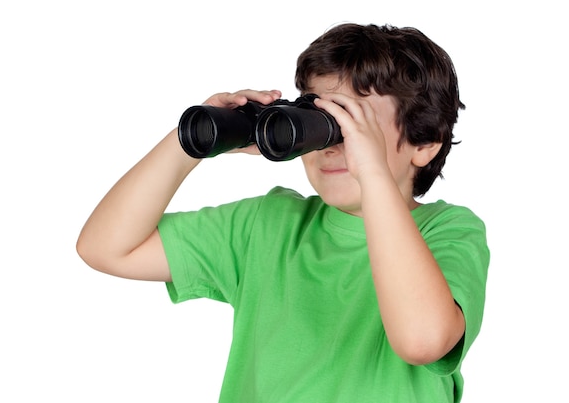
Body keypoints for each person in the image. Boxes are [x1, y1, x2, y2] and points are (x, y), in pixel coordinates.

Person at [76, 23, 490, 402]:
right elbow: (106, 247)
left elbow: (421, 340)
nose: (331, 145)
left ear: (425, 142)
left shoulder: (449, 232)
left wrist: (372, 173)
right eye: (320, 120)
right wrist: (190, 145)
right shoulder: (270, 225)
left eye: (353, 124)